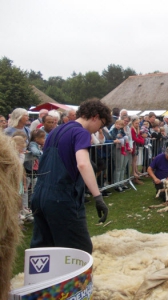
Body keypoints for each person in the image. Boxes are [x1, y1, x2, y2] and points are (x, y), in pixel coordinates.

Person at [30, 99, 111, 254]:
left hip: (40, 196)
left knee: (43, 251)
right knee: (79, 252)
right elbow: (83, 164)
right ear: (95, 116)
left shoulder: (56, 130)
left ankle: (41, 279)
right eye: (101, 124)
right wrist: (98, 197)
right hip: (62, 198)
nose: (98, 129)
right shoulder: (81, 133)